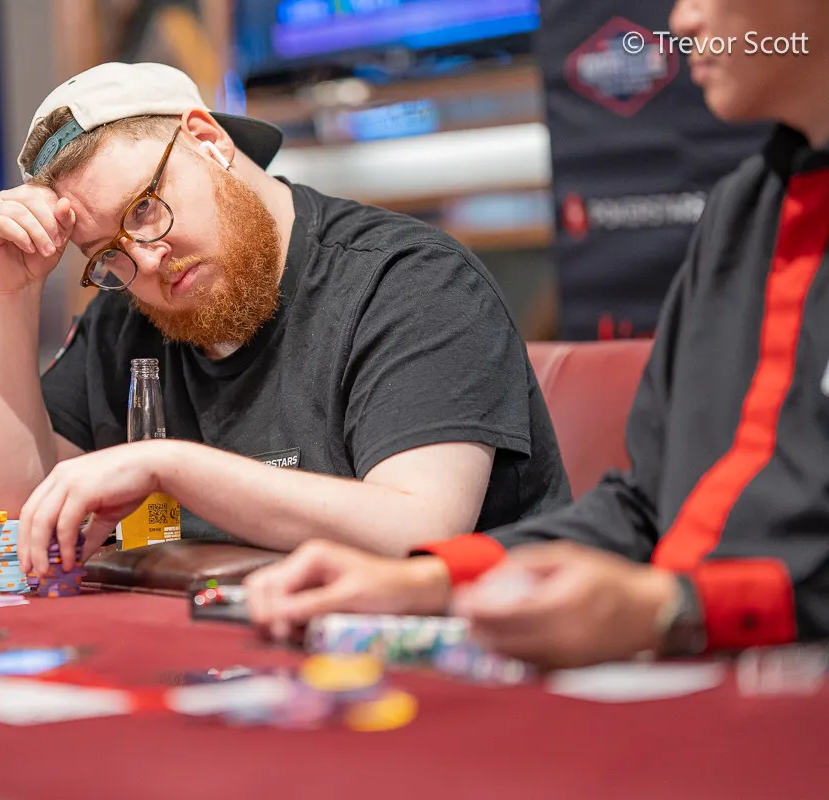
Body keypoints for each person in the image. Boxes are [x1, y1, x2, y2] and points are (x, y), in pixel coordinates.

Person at [245, 0, 829, 669]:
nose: (682, 21)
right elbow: (642, 508)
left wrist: (671, 609)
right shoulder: (743, 211)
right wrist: (424, 581)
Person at [0, 62, 571, 577]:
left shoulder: (410, 279)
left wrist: (169, 467)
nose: (145, 260)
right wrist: (11, 294)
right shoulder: (125, 320)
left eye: (144, 208)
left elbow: (419, 531)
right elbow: (3, 527)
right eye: (107, 255)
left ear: (208, 140)